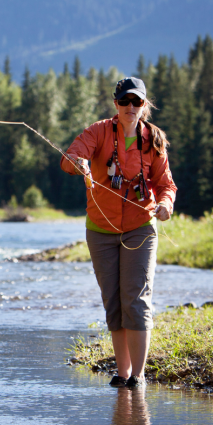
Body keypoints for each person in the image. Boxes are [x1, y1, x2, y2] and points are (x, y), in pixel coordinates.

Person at [61, 77, 177, 389]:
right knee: (114, 301)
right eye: (124, 101)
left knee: (135, 299)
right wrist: (79, 163)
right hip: (100, 229)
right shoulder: (98, 131)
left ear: (145, 105)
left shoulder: (153, 140)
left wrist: (165, 205)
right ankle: (122, 373)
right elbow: (70, 158)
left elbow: (166, 185)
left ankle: (138, 376)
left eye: (136, 102)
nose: (130, 107)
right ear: (116, 104)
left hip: (140, 228)